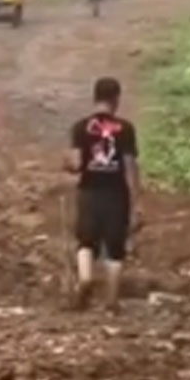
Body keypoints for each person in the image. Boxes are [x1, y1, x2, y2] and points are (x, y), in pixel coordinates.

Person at [63, 77, 140, 313]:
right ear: (116, 98)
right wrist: (137, 201)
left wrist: (67, 164)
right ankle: (112, 301)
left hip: (88, 191)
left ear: (95, 97)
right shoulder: (125, 128)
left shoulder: (80, 127)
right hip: (116, 193)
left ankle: (85, 278)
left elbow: (75, 164)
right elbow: (129, 166)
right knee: (115, 247)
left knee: (86, 241)